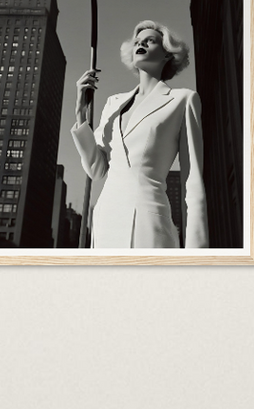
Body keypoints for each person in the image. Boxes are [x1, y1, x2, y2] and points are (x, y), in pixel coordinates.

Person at [72, 20, 208, 250]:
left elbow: (192, 183)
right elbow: (97, 170)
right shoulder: (113, 103)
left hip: (149, 223)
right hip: (106, 222)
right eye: (137, 42)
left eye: (149, 40)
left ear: (167, 53)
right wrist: (80, 115)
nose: (140, 44)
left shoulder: (183, 100)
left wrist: (197, 253)